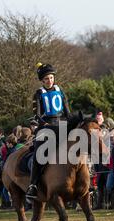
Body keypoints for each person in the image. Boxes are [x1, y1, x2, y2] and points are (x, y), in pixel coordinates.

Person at [26, 63, 72, 201]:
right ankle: (33, 185)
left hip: (61, 125)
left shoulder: (60, 90)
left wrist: (73, 123)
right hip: (45, 126)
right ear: (42, 81)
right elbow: (37, 115)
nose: (49, 80)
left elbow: (67, 111)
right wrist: (45, 124)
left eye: (51, 77)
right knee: (39, 153)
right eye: (46, 79)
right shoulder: (38, 94)